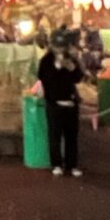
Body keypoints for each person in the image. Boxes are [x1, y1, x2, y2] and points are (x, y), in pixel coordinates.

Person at [37, 39, 83, 176]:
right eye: (58, 47)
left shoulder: (71, 59)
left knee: (71, 136)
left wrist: (72, 68)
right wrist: (57, 68)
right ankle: (56, 164)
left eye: (63, 46)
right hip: (54, 103)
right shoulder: (46, 60)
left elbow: (78, 77)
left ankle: (72, 165)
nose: (60, 50)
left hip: (70, 102)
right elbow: (42, 77)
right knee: (55, 135)